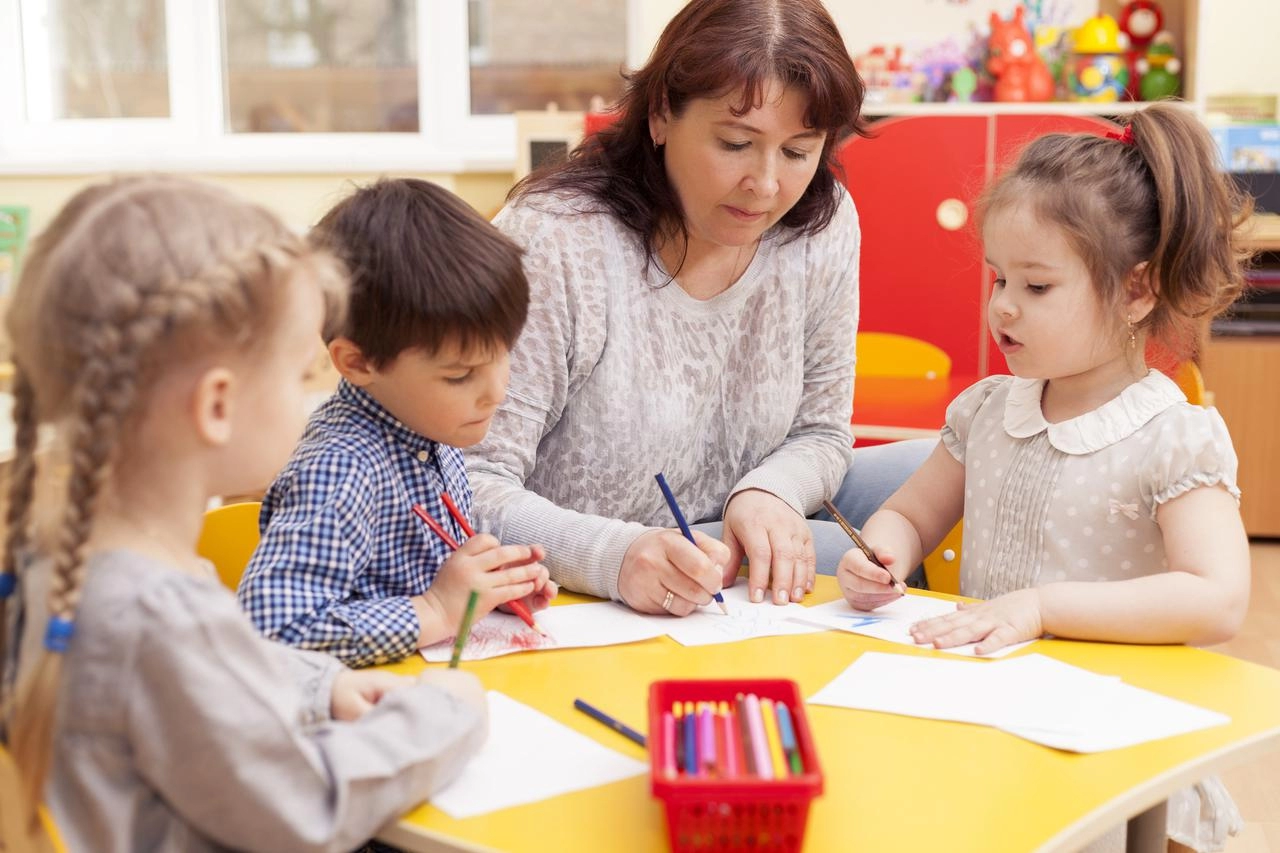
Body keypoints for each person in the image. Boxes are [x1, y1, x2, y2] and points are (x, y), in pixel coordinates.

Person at [0, 176, 488, 852]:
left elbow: (195, 684)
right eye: (298, 375)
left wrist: (323, 684)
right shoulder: (157, 616)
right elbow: (311, 804)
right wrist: (444, 712)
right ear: (217, 406)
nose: (306, 401)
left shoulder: (77, 561)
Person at [836, 103, 1251, 852]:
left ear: (1135, 290)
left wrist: (1041, 606)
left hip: (1114, 746)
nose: (1002, 307)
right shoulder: (990, 411)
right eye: (998, 278)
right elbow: (908, 513)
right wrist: (883, 552)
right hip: (994, 721)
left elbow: (1217, 598)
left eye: (1036, 286)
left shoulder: (1171, 435)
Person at [466, 0, 933, 617]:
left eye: (798, 151)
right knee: (857, 559)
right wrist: (614, 556)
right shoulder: (557, 239)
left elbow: (822, 431)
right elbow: (465, 480)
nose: (766, 185)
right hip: (604, 557)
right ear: (661, 115)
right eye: (736, 143)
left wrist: (769, 492)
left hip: (727, 524)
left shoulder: (822, 224)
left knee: (949, 467)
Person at [238, 179, 556, 667]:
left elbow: (429, 579)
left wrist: (487, 594)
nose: (495, 391)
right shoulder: (340, 471)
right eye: (460, 375)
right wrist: (436, 610)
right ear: (358, 363)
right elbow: (273, 630)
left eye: (502, 357)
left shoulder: (428, 430)